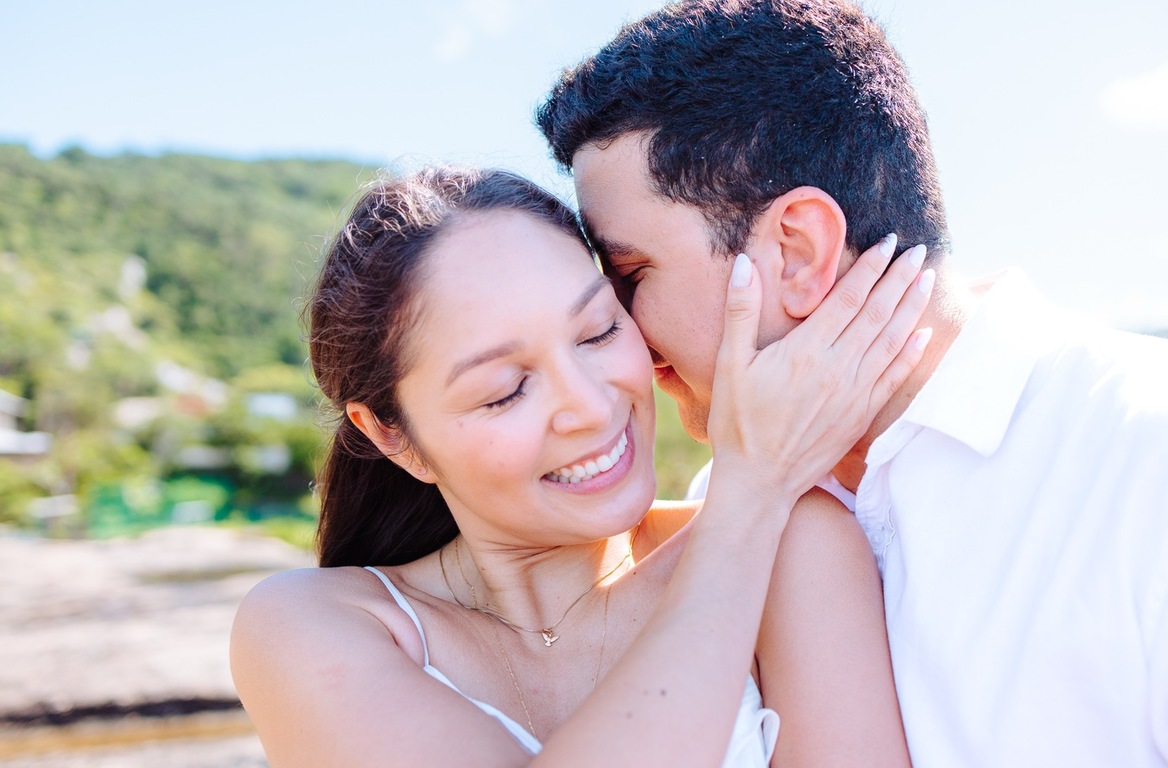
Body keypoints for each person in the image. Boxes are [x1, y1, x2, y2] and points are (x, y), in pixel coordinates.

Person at [536, 0, 1168, 766]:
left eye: (631, 274)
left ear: (798, 251)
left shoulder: (1166, 463)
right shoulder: (733, 504)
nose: (625, 343)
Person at [230, 166, 931, 766]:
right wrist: (748, 490)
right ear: (393, 437)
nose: (592, 409)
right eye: (504, 390)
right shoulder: (315, 627)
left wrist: (756, 500)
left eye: (598, 331)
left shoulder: (794, 546)